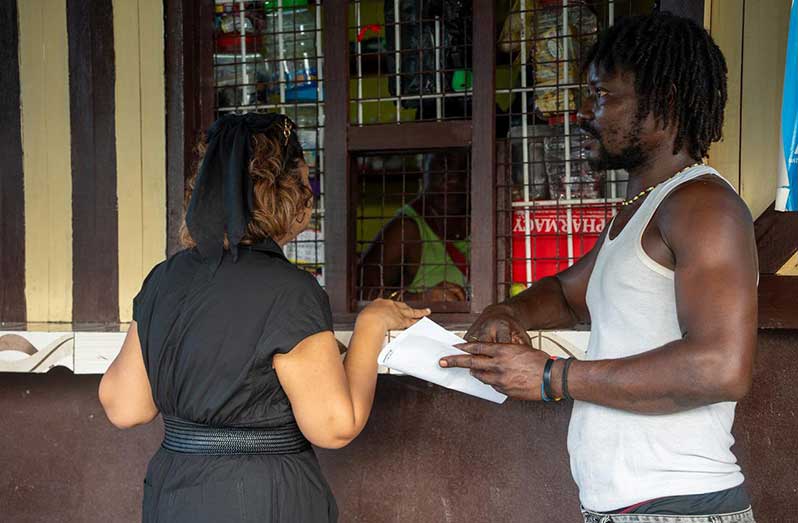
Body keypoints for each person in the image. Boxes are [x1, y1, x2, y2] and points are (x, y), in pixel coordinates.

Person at [440, 13, 758, 523]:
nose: (585, 113)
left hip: (677, 508)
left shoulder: (702, 206)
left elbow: (720, 366)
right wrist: (509, 311)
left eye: (604, 96)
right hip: (636, 508)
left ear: (666, 102)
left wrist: (552, 377)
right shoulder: (644, 208)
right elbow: (568, 295)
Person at [98, 112, 428, 522]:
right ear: (285, 193)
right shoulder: (290, 291)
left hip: (174, 494)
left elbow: (125, 406)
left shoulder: (164, 279)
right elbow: (334, 426)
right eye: (305, 182)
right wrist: (372, 325)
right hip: (263, 498)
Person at [359, 151, 470, 302]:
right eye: (442, 168)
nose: (453, 179)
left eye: (462, 170)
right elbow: (361, 293)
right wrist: (420, 298)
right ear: (424, 169)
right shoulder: (407, 230)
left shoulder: (487, 222)